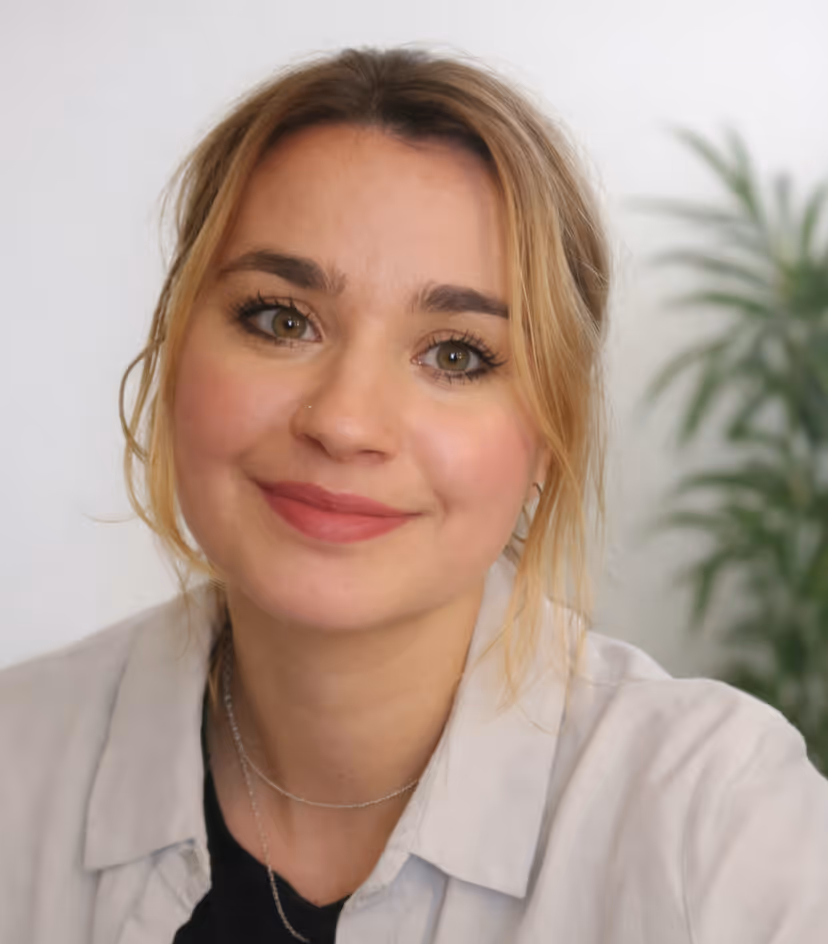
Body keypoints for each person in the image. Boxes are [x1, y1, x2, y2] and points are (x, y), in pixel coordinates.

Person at [1, 46, 826, 944]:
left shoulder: (722, 823)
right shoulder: (18, 762)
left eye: (456, 354)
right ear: (172, 351)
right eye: (281, 319)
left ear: (551, 435)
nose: (346, 423)